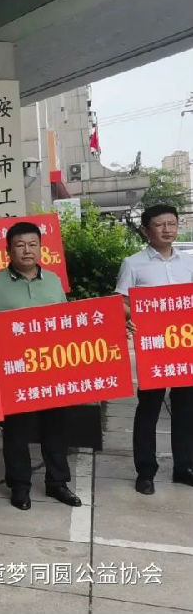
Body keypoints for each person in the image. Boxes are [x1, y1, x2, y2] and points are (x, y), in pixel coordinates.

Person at [0, 221, 81, 511]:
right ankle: (20, 486)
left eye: (32, 244)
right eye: (20, 245)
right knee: (16, 431)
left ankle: (57, 483)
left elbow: (66, 317)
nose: (27, 250)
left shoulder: (53, 280)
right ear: (8, 250)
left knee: (55, 428)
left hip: (51, 368)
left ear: (41, 248)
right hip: (15, 371)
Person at [114, 203, 193, 495]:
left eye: (172, 224)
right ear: (146, 230)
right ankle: (146, 471)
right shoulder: (133, 264)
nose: (167, 230)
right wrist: (132, 316)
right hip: (153, 348)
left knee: (186, 409)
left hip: (184, 347)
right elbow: (120, 302)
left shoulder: (188, 263)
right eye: (160, 225)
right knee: (148, 408)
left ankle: (184, 466)